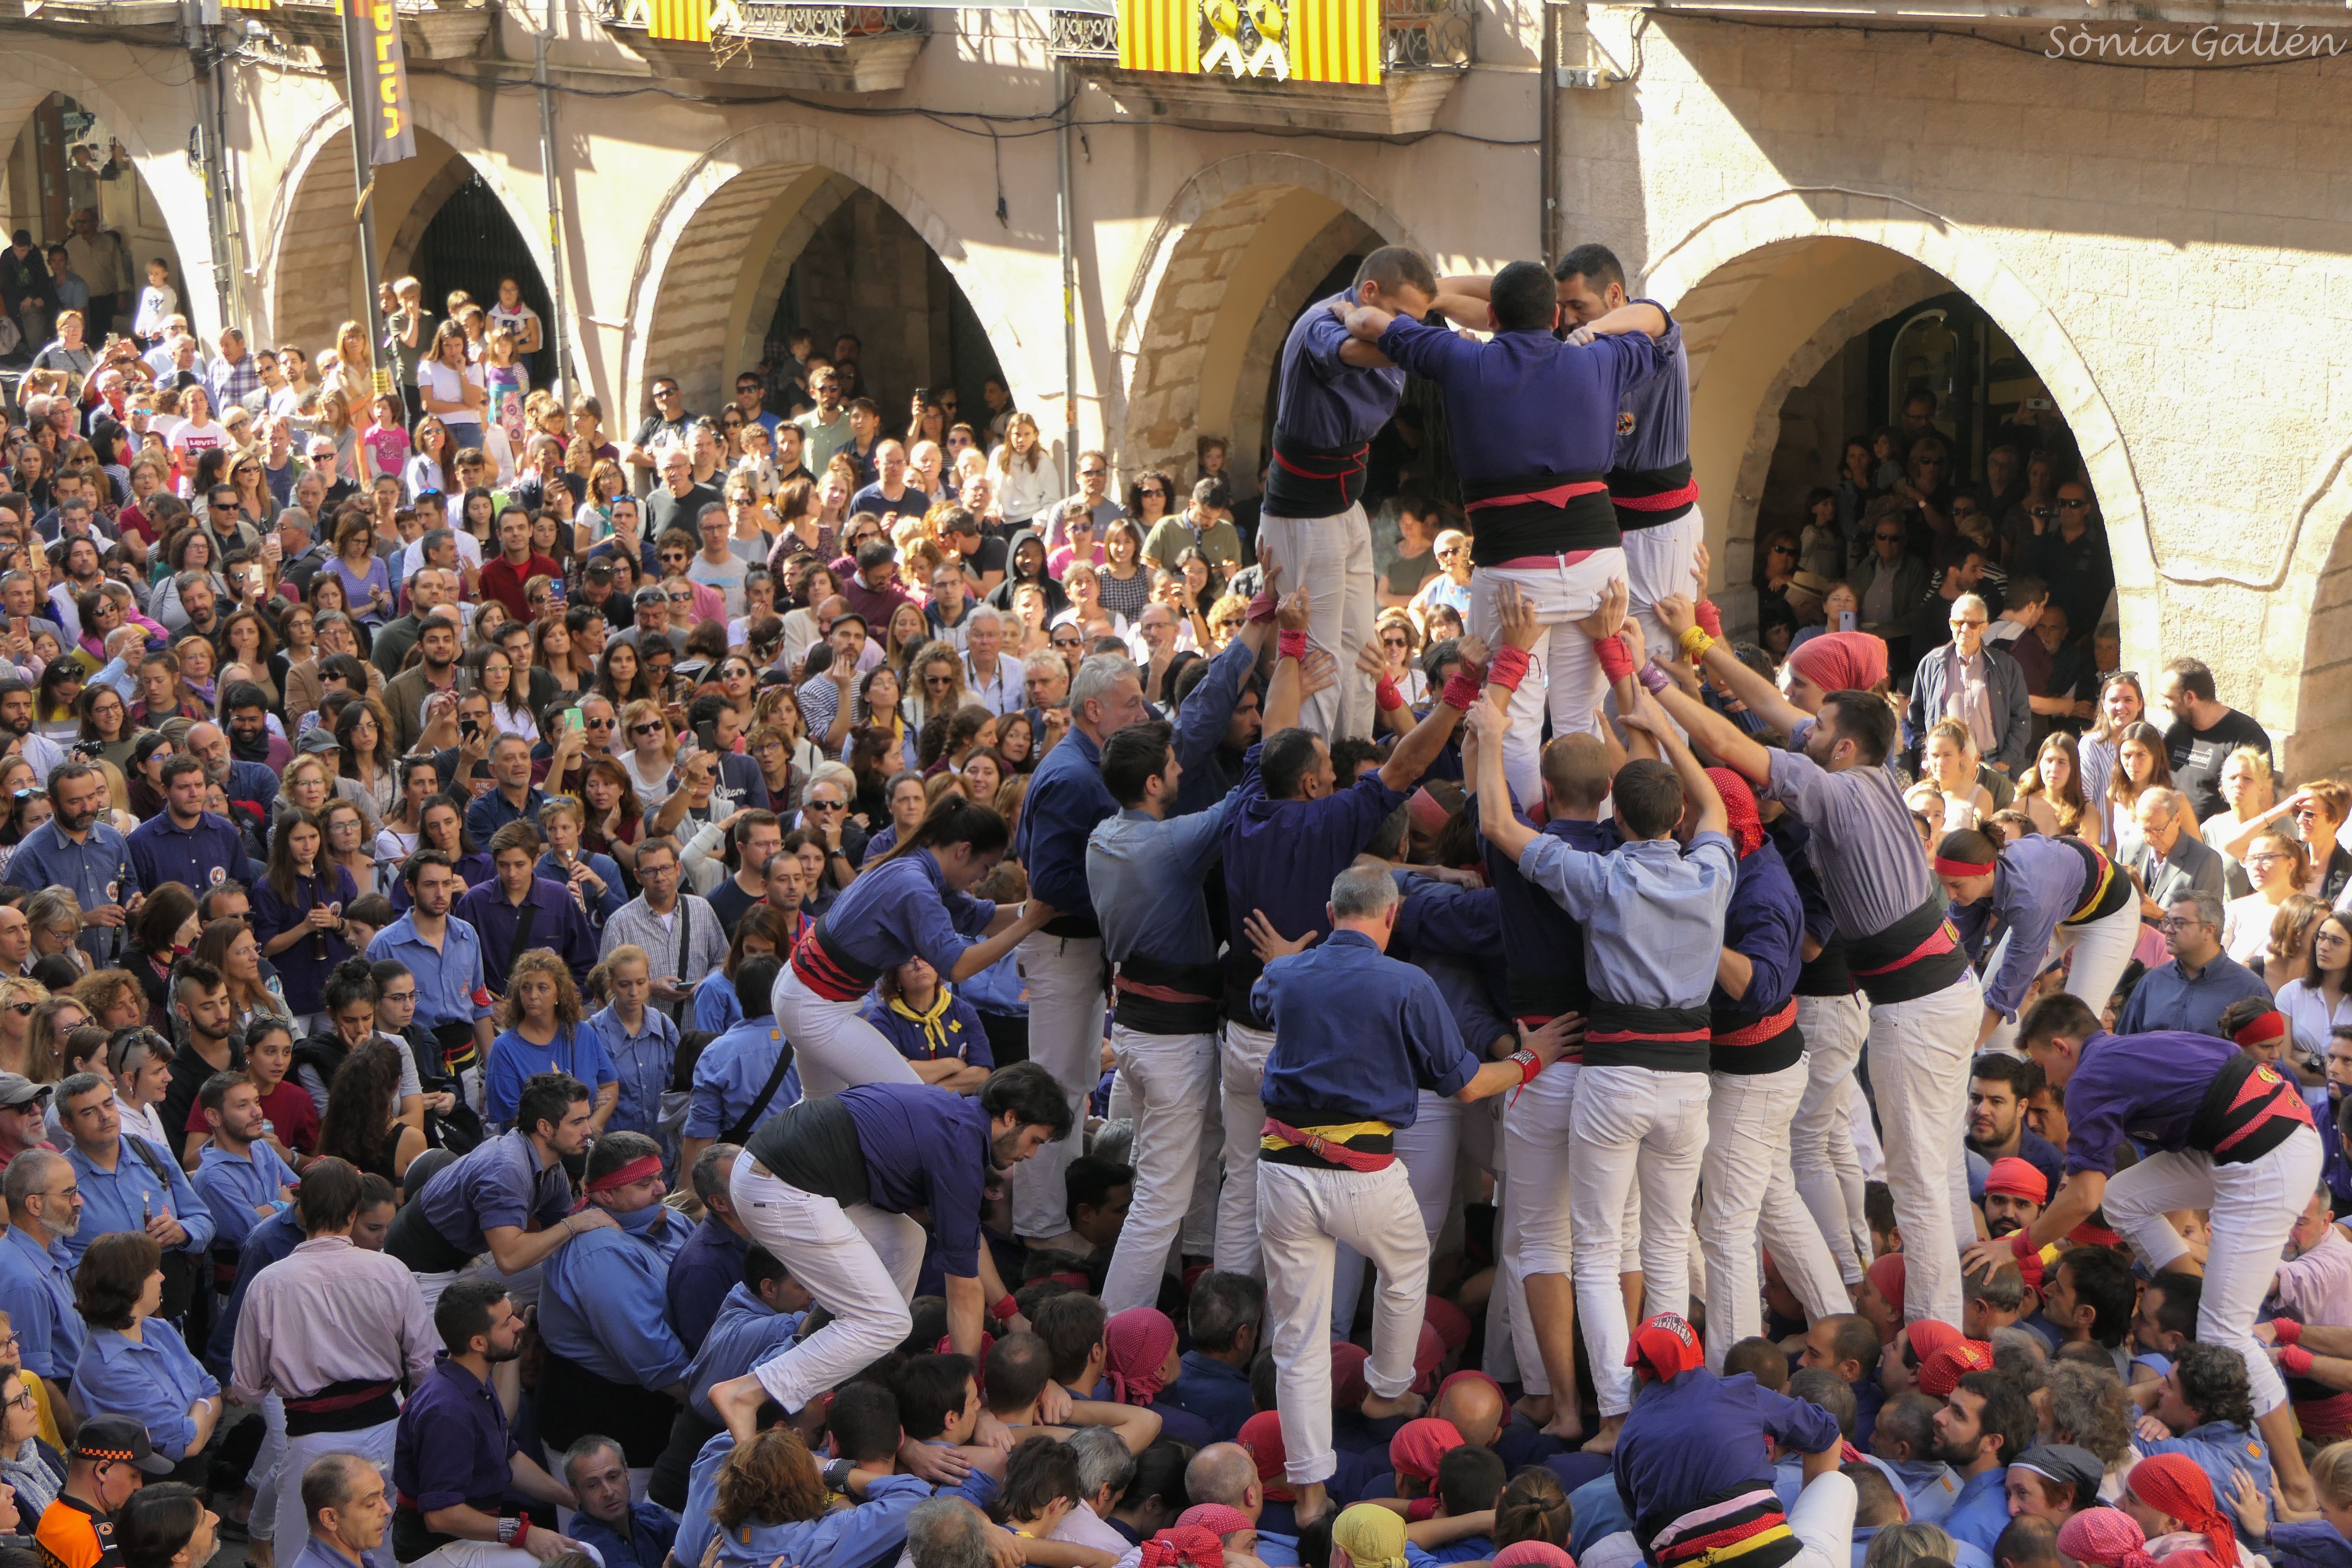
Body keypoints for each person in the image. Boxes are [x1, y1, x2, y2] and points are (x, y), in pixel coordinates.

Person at [1647, 603, 1986, 1332]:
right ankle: (1924, 1318)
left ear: (1840, 748)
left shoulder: (1831, 791)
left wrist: (1641, 674)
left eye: (1819, 728)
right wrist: (1700, 640)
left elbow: (1731, 740)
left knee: (1917, 1182)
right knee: (1923, 1167)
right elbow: (1768, 704)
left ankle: (1936, 1338)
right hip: (1935, 990)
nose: (1804, 726)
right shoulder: (1868, 763)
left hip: (1917, 1004)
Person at [1250, 865, 1572, 1523]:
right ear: (1392, 916)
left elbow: (1267, 995)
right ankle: (1387, 1391)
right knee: (1404, 1272)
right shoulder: (1407, 982)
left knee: (1298, 1336)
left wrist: (1291, 961)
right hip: (1364, 1171)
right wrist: (1533, 1054)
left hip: (1281, 1168)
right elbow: (1468, 1087)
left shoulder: (1287, 975)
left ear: (1332, 910)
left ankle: (1310, 1496)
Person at [1468, 681, 1729, 1452]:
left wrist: (1489, 731)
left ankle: (1613, 1411)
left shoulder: (1605, 874)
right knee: (1659, 1241)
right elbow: (1714, 804)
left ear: (1620, 818)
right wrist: (1658, 725)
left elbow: (1495, 824)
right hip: (1687, 1080)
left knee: (1592, 1248)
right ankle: (1669, 1391)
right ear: (1674, 814)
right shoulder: (1713, 869)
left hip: (1612, 1075)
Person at [1335, 259, 1669, 806]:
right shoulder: (1600, 357)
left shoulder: (1464, 357)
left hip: (1516, 568)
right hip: (1595, 563)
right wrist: (1596, 330)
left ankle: (1517, 838)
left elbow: (1373, 325)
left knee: (1510, 719)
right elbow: (1658, 321)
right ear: (1557, 315)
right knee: (1580, 714)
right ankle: (1591, 829)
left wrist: (1348, 308)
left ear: (1492, 316)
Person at [1982, 992, 2322, 1508]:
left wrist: (2018, 1246)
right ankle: (2199, 1296)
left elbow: (2083, 1197)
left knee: (2223, 1332)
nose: (2044, 1079)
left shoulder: (2091, 1076)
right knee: (2127, 1198)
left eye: (2040, 1062)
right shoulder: (2130, 1049)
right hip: (2260, 1139)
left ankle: (2297, 1482)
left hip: (2265, 1155)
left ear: (2060, 1046)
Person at [1085, 596, 1297, 1313]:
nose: (1181, 765)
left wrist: (1253, 635)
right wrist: (1295, 679)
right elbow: (1250, 790)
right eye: (1172, 762)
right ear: (1153, 783)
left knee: (1159, 1180)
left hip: (1135, 1032)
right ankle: (1113, 1336)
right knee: (1159, 1199)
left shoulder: (1103, 835)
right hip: (1172, 1046)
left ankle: (1170, 1297)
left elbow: (1206, 731)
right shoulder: (1170, 845)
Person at [704, 1063, 1074, 1437]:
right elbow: (964, 1289)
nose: (1031, 1155)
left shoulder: (955, 1119)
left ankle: (866, 1364)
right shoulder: (960, 1147)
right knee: (887, 1321)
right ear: (1011, 1118)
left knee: (907, 1242)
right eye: (1036, 1141)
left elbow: (967, 1242)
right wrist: (969, 1400)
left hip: (779, 1172)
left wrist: (1008, 1312)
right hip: (778, 1184)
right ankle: (748, 1393)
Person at [1256, 246, 1437, 742]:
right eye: (1401, 317)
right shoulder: (1322, 321)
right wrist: (1422, 346)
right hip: (1304, 515)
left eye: (1416, 322)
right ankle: (1312, 777)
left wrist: (1418, 334)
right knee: (1320, 660)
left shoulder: (1389, 324)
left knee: (1364, 652)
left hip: (1345, 508)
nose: (1406, 329)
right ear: (1370, 293)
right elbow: (1353, 350)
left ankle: (1354, 762)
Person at [778, 796, 1055, 1099]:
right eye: (985, 866)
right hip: (813, 1003)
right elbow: (958, 967)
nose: (984, 878)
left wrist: (1033, 911)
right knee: (910, 1100)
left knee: (819, 1107)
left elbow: (978, 917)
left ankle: (751, 1150)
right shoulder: (914, 884)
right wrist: (1029, 922)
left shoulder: (918, 867)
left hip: (804, 992)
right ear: (963, 851)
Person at [229, 1155, 434, 1565]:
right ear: (354, 1212)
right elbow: (424, 1365)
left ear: (301, 1209)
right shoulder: (392, 1272)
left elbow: (247, 1387)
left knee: (298, 1554)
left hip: (311, 1442)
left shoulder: (269, 1284)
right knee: (381, 1546)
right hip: (384, 1433)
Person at [1611, 1312, 1855, 1568]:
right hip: (1780, 1561)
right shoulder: (1737, 1391)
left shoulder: (1627, 1438)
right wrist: (1803, 1503)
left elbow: (1647, 1539)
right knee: (1838, 1483)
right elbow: (1826, 1432)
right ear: (1697, 1355)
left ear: (1639, 1369)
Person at [389, 1280, 590, 1568]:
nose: (519, 1327)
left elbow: (510, 1460)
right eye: (507, 1322)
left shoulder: (473, 1378)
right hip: (435, 1550)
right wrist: (524, 1533)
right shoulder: (448, 1411)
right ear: (479, 1343)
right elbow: (440, 1516)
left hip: (467, 1538)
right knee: (579, 1562)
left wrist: (575, 1501)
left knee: (586, 1555)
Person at [535, 1132, 691, 1486]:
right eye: (645, 1183)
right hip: (605, 1425)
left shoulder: (671, 1220)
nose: (661, 1189)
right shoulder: (600, 1252)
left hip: (655, 1414)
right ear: (607, 1194)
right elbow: (655, 1357)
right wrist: (715, 1403)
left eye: (659, 1177)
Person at [381, 1072, 615, 1307]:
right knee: (481, 1342)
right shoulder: (506, 1168)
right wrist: (575, 1225)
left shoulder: (551, 1167)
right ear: (544, 1127)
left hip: (475, 1256)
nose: (588, 1131)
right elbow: (510, 1259)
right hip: (423, 1272)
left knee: (576, 1281)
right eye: (578, 1122)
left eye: (587, 1119)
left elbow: (565, 1235)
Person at [1935, 824, 2139, 1052]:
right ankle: (2007, 1082)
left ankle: (2059, 1087)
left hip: (2109, 915)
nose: (1950, 895)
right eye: (1944, 885)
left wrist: (1963, 1053)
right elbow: (1959, 963)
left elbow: (2009, 988)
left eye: (1955, 886)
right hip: (2058, 899)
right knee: (1987, 996)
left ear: (1984, 872)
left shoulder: (2028, 899)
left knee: (2074, 1026)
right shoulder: (1972, 884)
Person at [68, 1231, 222, 1467]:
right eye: (152, 1272)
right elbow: (187, 1443)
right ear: (129, 1285)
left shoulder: (159, 1329)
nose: (161, 1277)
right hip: (148, 1486)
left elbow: (212, 1388)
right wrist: (203, 1404)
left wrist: (200, 1412)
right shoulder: (111, 1369)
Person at [6, 763, 138, 971]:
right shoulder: (30, 854)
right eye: (75, 801)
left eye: (92, 797)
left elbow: (130, 886)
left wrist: (135, 904)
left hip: (117, 967)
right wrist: (83, 920)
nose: (86, 807)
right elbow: (22, 925)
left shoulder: (113, 839)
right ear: (53, 803)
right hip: (64, 976)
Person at [595, 837, 726, 1029]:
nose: (660, 877)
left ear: (678, 869)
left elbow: (724, 961)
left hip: (698, 1031)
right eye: (650, 871)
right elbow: (604, 984)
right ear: (638, 877)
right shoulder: (620, 923)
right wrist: (649, 987)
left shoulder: (702, 909)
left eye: (666, 868)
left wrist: (705, 983)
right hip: (647, 1036)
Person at [2116, 891, 2272, 1038]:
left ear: (2208, 930)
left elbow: (2267, 1058)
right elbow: (2124, 1043)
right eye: (2168, 922)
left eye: (2179, 923)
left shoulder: (2249, 989)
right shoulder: (2152, 982)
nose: (2168, 930)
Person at [33, 1415, 174, 1568]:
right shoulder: (101, 1550)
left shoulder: (53, 1512)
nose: (139, 1486)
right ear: (102, 1470)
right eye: (134, 1476)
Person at [0, 1149, 84, 1392]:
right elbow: (34, 1381)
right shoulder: (24, 1282)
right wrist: (71, 1430)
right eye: (70, 1193)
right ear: (35, 1205)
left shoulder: (50, 1254)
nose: (79, 1201)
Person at [2160, 658, 2273, 825]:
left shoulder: (2247, 736)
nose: (2164, 704)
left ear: (2190, 698)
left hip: (2221, 846)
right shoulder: (2177, 732)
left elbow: (2264, 801)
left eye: (2168, 698)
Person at [560, 1438, 676, 1568]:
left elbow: (690, 1551)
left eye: (613, 1477)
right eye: (593, 1485)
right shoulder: (588, 1547)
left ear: (627, 1472)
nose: (608, 1492)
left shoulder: (650, 1514)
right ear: (576, 1493)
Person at [291, 1451, 396, 1568]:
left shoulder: (360, 1556)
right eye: (371, 1504)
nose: (387, 1509)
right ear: (330, 1518)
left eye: (383, 1495)